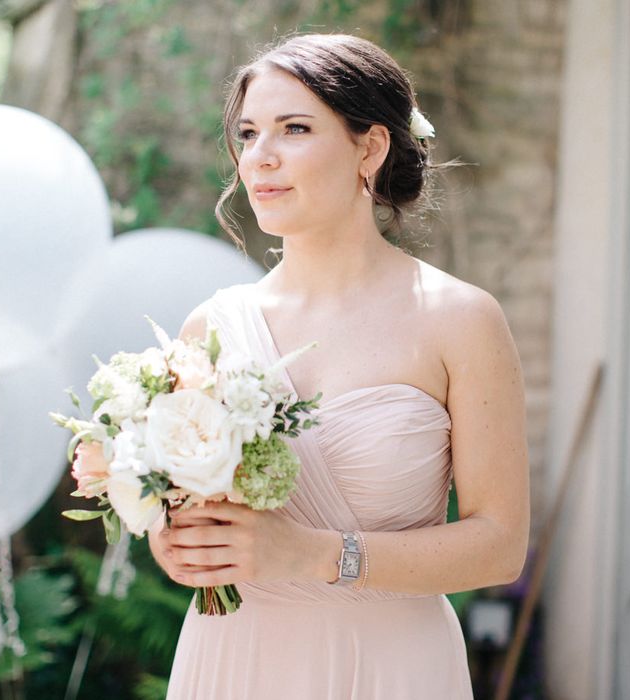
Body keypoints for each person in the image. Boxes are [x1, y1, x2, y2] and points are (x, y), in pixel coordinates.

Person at [148, 32, 529, 700]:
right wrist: (176, 545)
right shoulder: (209, 328)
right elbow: (182, 522)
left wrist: (317, 555)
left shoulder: (460, 320)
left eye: (293, 128)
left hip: (392, 667)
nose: (259, 158)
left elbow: (499, 544)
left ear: (370, 147)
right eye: (247, 133)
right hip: (236, 661)